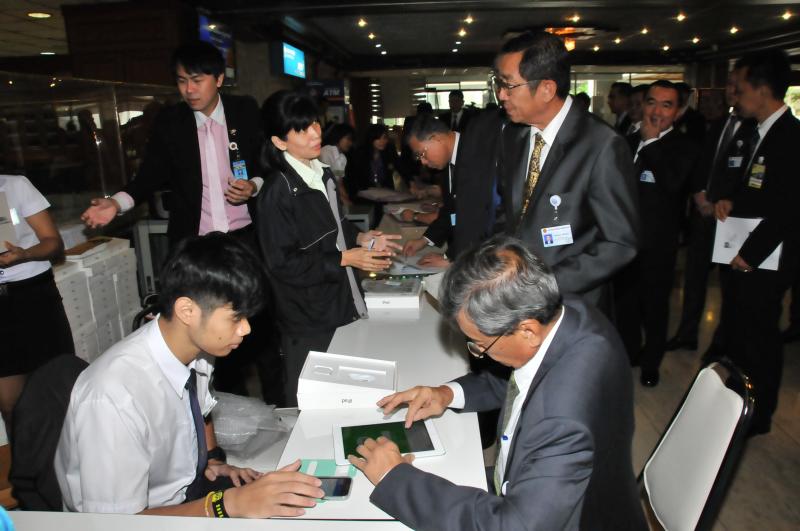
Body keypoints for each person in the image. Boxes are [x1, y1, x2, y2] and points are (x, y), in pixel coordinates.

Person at [349, 235, 646, 530]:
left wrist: (393, 477)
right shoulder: (564, 310)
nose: (478, 352)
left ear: (527, 331)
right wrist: (446, 394)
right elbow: (522, 378)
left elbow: (513, 525)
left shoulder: (561, 420)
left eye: (480, 345)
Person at [54, 233, 325, 517]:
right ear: (187, 310)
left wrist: (212, 460)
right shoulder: (114, 397)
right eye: (236, 317)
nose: (246, 329)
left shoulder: (196, 347)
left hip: (188, 492)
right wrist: (228, 504)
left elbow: (200, 410)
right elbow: (114, 524)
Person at [79, 41, 281, 403]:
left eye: (197, 80)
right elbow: (149, 175)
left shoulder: (244, 111)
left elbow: (268, 163)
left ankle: (279, 405)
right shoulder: (171, 122)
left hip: (244, 239)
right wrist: (116, 203)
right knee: (209, 332)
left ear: (218, 79)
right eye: (182, 81)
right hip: (198, 247)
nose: (189, 90)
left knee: (259, 325)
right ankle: (224, 407)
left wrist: (254, 185)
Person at [257, 90, 401, 407]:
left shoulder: (320, 173)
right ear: (279, 141)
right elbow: (282, 264)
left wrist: (361, 239)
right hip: (307, 315)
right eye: (302, 129)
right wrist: (345, 258)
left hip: (338, 301)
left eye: (315, 123)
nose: (315, 133)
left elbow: (335, 225)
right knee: (313, 401)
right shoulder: (277, 192)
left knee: (344, 394)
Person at [494, 31, 639, 312]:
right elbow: (510, 213)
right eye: (499, 84)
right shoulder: (513, 136)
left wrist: (545, 285)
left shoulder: (601, 144)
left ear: (547, 89)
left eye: (509, 85)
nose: (501, 95)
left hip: (573, 305)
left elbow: (619, 243)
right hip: (517, 298)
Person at [713, 50, 800, 435]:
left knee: (760, 336)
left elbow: (788, 208)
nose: (737, 95)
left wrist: (750, 254)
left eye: (742, 87)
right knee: (738, 331)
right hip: (743, 253)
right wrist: (731, 200)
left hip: (766, 259)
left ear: (762, 90)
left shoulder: (790, 137)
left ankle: (759, 414)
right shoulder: (754, 133)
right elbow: (753, 187)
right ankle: (737, 402)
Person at [615, 81, 698, 386]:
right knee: (626, 305)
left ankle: (651, 362)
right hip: (624, 241)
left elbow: (673, 185)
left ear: (678, 112)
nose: (657, 111)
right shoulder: (626, 141)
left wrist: (651, 143)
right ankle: (628, 354)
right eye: (652, 102)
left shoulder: (684, 147)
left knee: (655, 308)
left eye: (667, 105)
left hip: (658, 244)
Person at [667, 69, 748, 353]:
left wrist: (727, 200)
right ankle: (687, 333)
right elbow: (702, 163)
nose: (731, 91)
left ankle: (723, 342)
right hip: (703, 212)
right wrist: (699, 193)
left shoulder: (754, 128)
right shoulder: (720, 123)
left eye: (736, 85)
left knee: (730, 283)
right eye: (729, 85)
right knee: (695, 276)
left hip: (731, 217)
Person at [0, 175, 74, 435]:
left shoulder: (15, 185)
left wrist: (24, 254)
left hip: (33, 295)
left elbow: (53, 243)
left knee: (57, 389)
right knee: (9, 404)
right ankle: (25, 460)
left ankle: (70, 454)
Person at [319, 123, 356, 204]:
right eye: (348, 139)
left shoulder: (342, 158)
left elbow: (339, 183)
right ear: (339, 136)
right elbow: (326, 183)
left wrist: (347, 200)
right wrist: (344, 200)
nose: (350, 143)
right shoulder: (326, 152)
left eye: (351, 140)